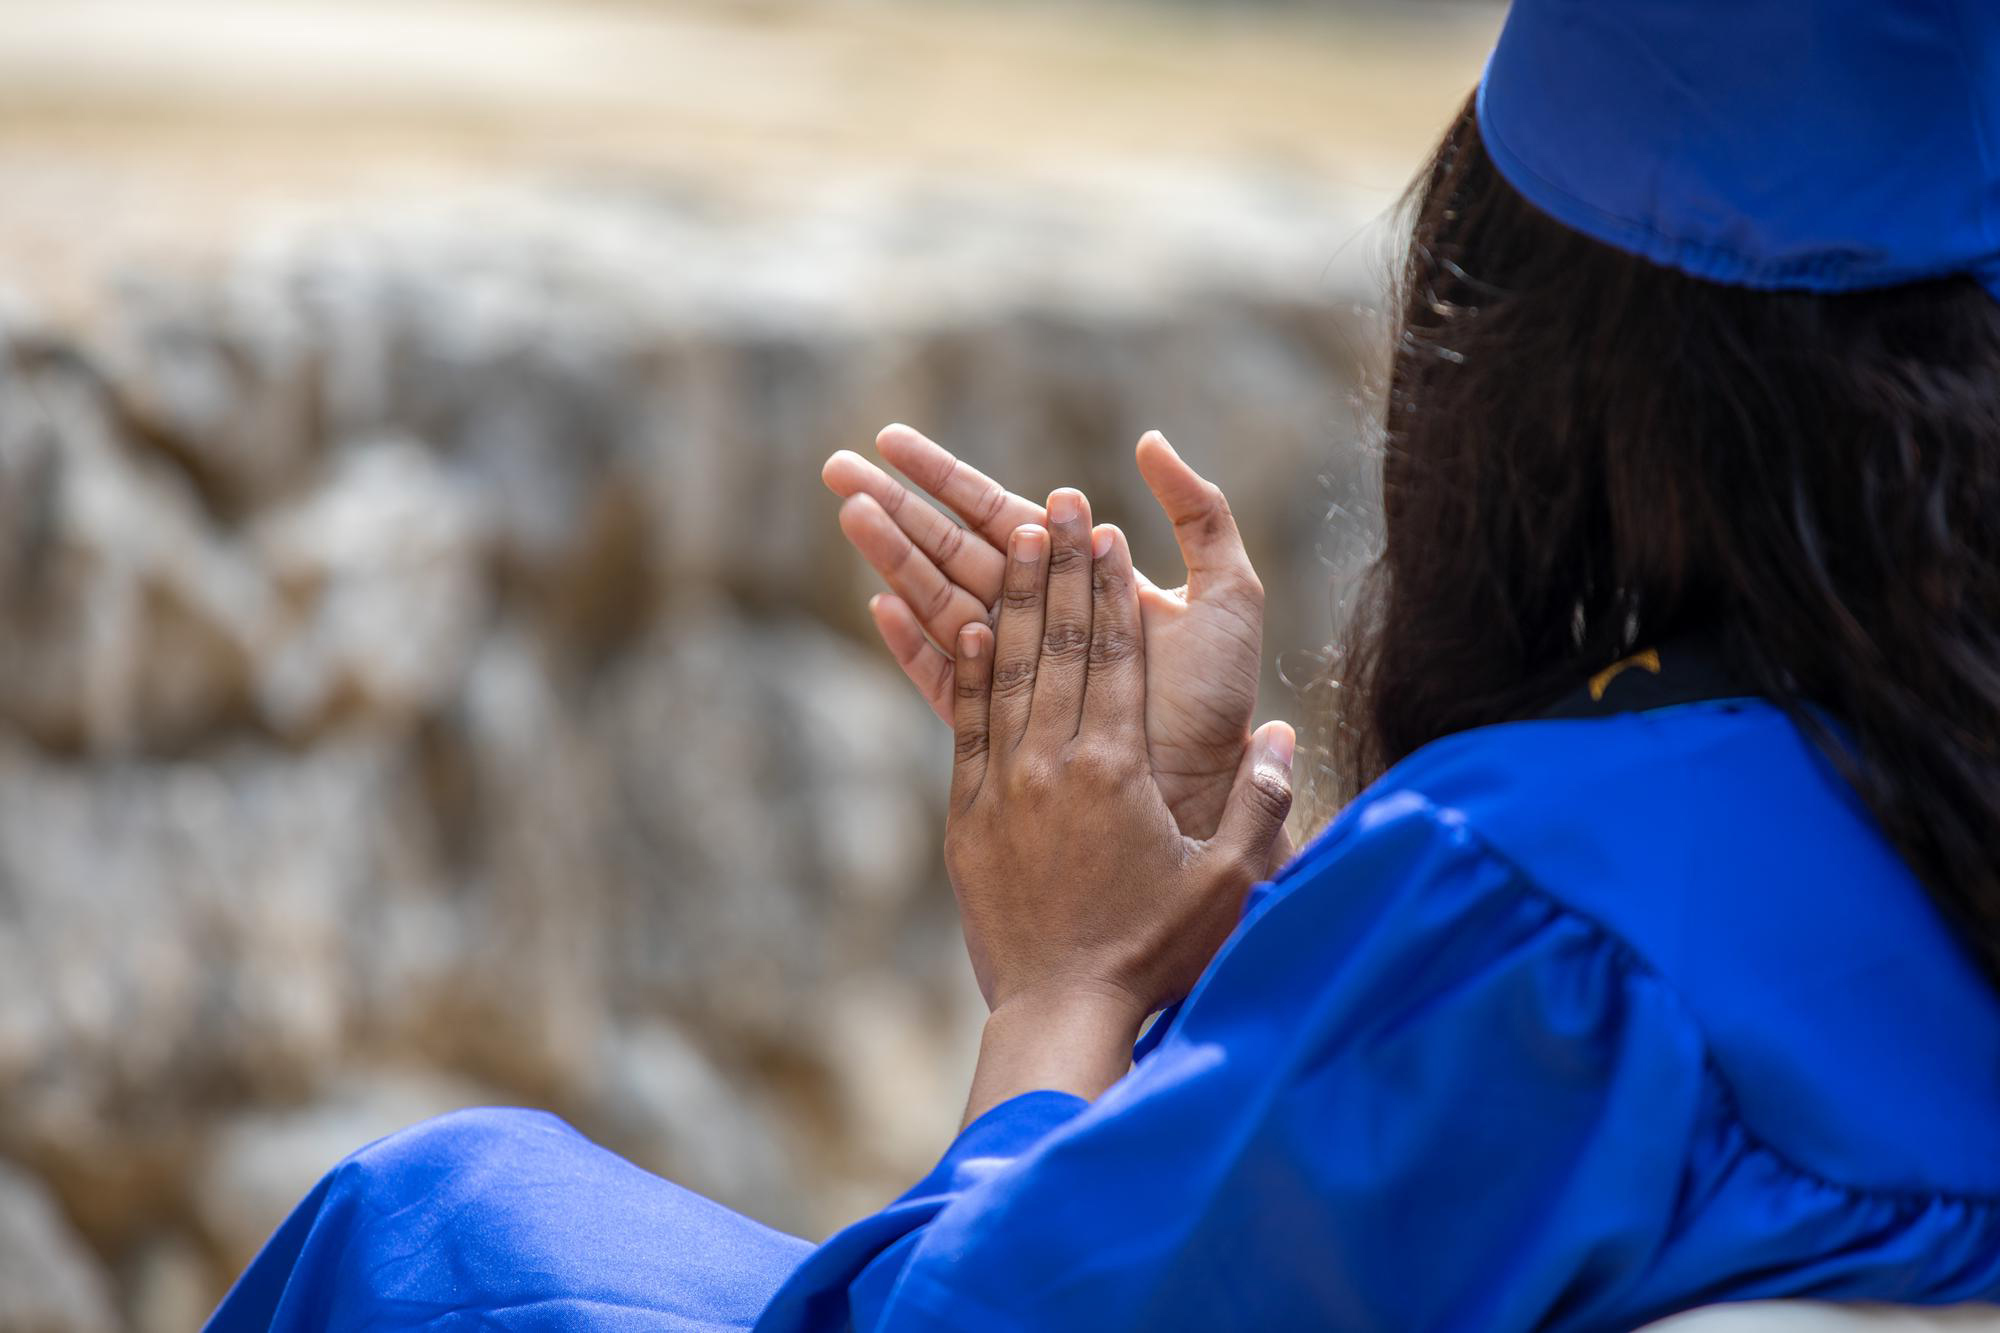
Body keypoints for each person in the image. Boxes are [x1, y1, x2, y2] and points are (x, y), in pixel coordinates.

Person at [208, 0, 2000, 1328]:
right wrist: (1284, 970)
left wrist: (1068, 983)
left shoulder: (1547, 920)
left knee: (436, 1225)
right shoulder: (1772, 851)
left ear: (1543, 375)